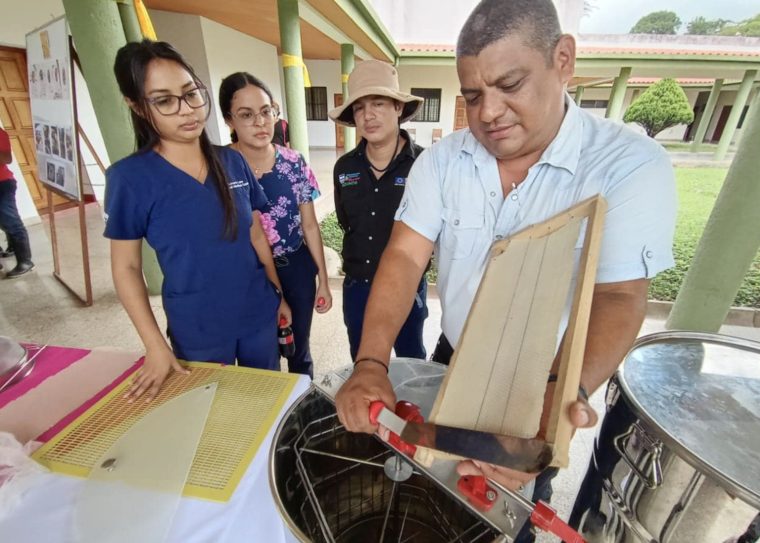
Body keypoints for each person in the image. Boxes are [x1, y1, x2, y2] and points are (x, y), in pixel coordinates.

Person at [334, 1, 677, 541]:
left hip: (543, 381)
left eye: (510, 84)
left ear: (562, 59)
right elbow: (403, 256)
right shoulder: (444, 161)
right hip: (455, 357)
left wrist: (556, 406)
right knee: (439, 493)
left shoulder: (627, 165)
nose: (488, 112)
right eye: (472, 95)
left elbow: (619, 298)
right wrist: (371, 359)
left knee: (504, 511)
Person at [105, 40, 290, 401]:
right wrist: (155, 344)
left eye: (191, 94)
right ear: (137, 106)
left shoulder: (232, 162)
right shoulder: (130, 178)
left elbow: (255, 235)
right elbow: (126, 268)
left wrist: (277, 294)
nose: (186, 110)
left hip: (257, 313)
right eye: (164, 100)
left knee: (263, 403)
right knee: (211, 413)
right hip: (198, 327)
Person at [219, 72, 332, 379]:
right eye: (246, 115)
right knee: (261, 357)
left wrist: (322, 277)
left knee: (299, 350)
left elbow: (309, 225)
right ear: (229, 120)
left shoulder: (293, 162)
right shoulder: (218, 166)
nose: (260, 122)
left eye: (266, 112)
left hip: (295, 267)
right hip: (248, 274)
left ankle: (300, 415)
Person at [328, 60, 429, 361]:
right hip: (358, 287)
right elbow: (348, 222)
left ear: (398, 107)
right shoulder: (344, 168)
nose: (368, 115)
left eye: (378, 103)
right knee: (364, 363)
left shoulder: (424, 165)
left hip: (407, 287)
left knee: (411, 361)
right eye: (359, 107)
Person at [0, 127, 35, 279]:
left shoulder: (0, 134)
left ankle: (25, 261)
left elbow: (7, 159)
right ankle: (10, 248)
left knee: (11, 222)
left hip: (2, 184)